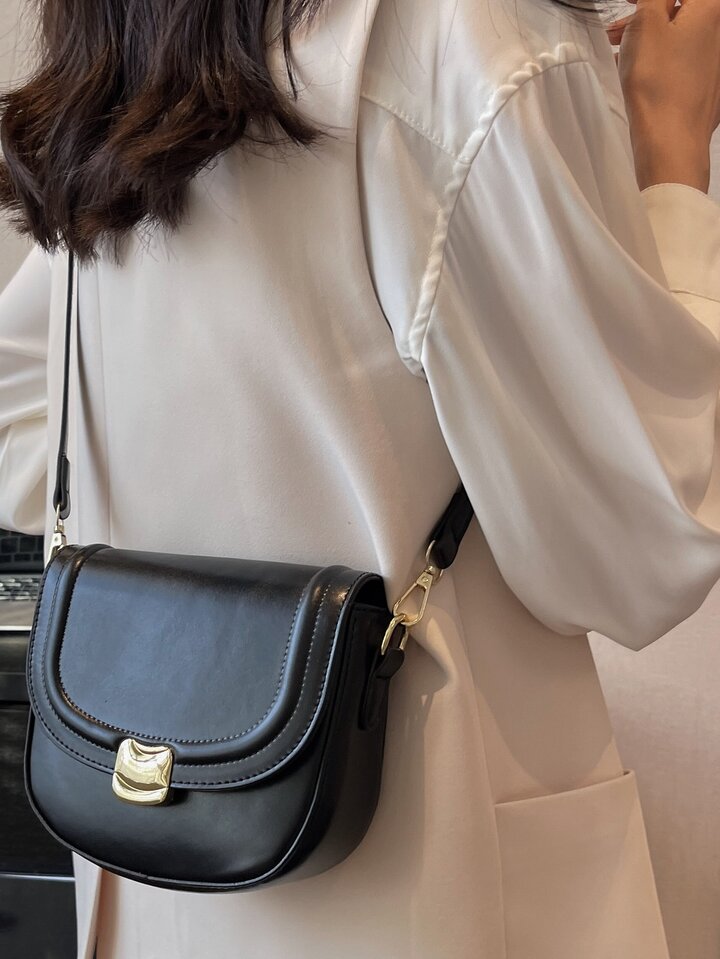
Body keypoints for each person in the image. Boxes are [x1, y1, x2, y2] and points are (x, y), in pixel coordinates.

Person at [1, 0, 719, 955]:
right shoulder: (473, 36)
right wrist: (671, 148)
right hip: (434, 895)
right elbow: (642, 551)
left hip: (162, 893)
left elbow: (18, 418)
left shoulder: (139, 51)